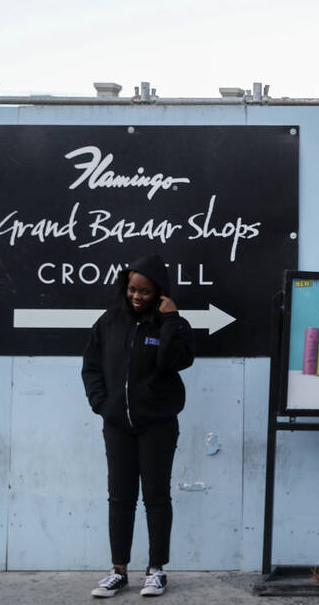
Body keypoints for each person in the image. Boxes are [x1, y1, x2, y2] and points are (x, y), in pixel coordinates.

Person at [82, 254, 194, 598]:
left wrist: (171, 320)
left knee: (156, 497)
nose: (136, 296)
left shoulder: (171, 325)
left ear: (159, 292)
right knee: (120, 497)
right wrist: (103, 405)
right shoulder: (108, 322)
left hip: (157, 425)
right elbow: (92, 367)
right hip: (117, 425)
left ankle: (157, 570)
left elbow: (174, 361)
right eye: (132, 289)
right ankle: (118, 571)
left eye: (145, 291)